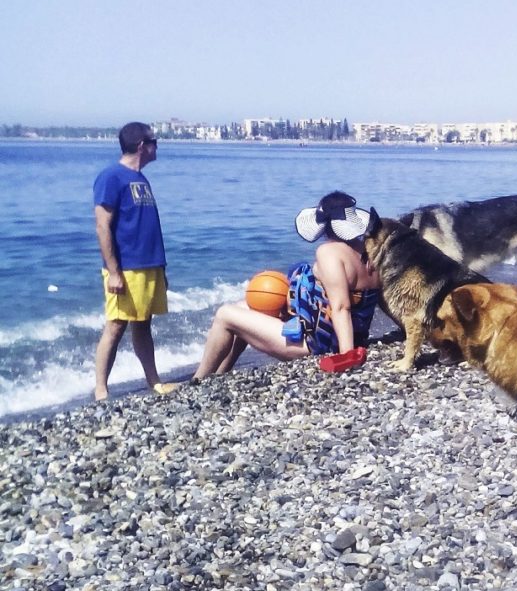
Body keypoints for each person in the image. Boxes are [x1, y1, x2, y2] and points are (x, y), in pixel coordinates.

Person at [193, 191, 381, 379]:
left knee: (224, 314)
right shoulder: (371, 252)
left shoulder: (329, 253)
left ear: (324, 225)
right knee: (245, 307)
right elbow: (381, 298)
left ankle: (198, 380)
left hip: (316, 344)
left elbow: (341, 306)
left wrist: (346, 356)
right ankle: (218, 376)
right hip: (342, 334)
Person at [93, 122, 176, 401]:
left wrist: (160, 268)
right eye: (155, 142)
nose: (157, 147)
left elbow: (145, 227)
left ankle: (154, 381)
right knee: (116, 325)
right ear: (142, 145)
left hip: (149, 265)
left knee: (143, 324)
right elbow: (103, 226)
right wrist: (114, 272)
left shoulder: (140, 178)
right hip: (126, 269)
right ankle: (101, 390)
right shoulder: (111, 177)